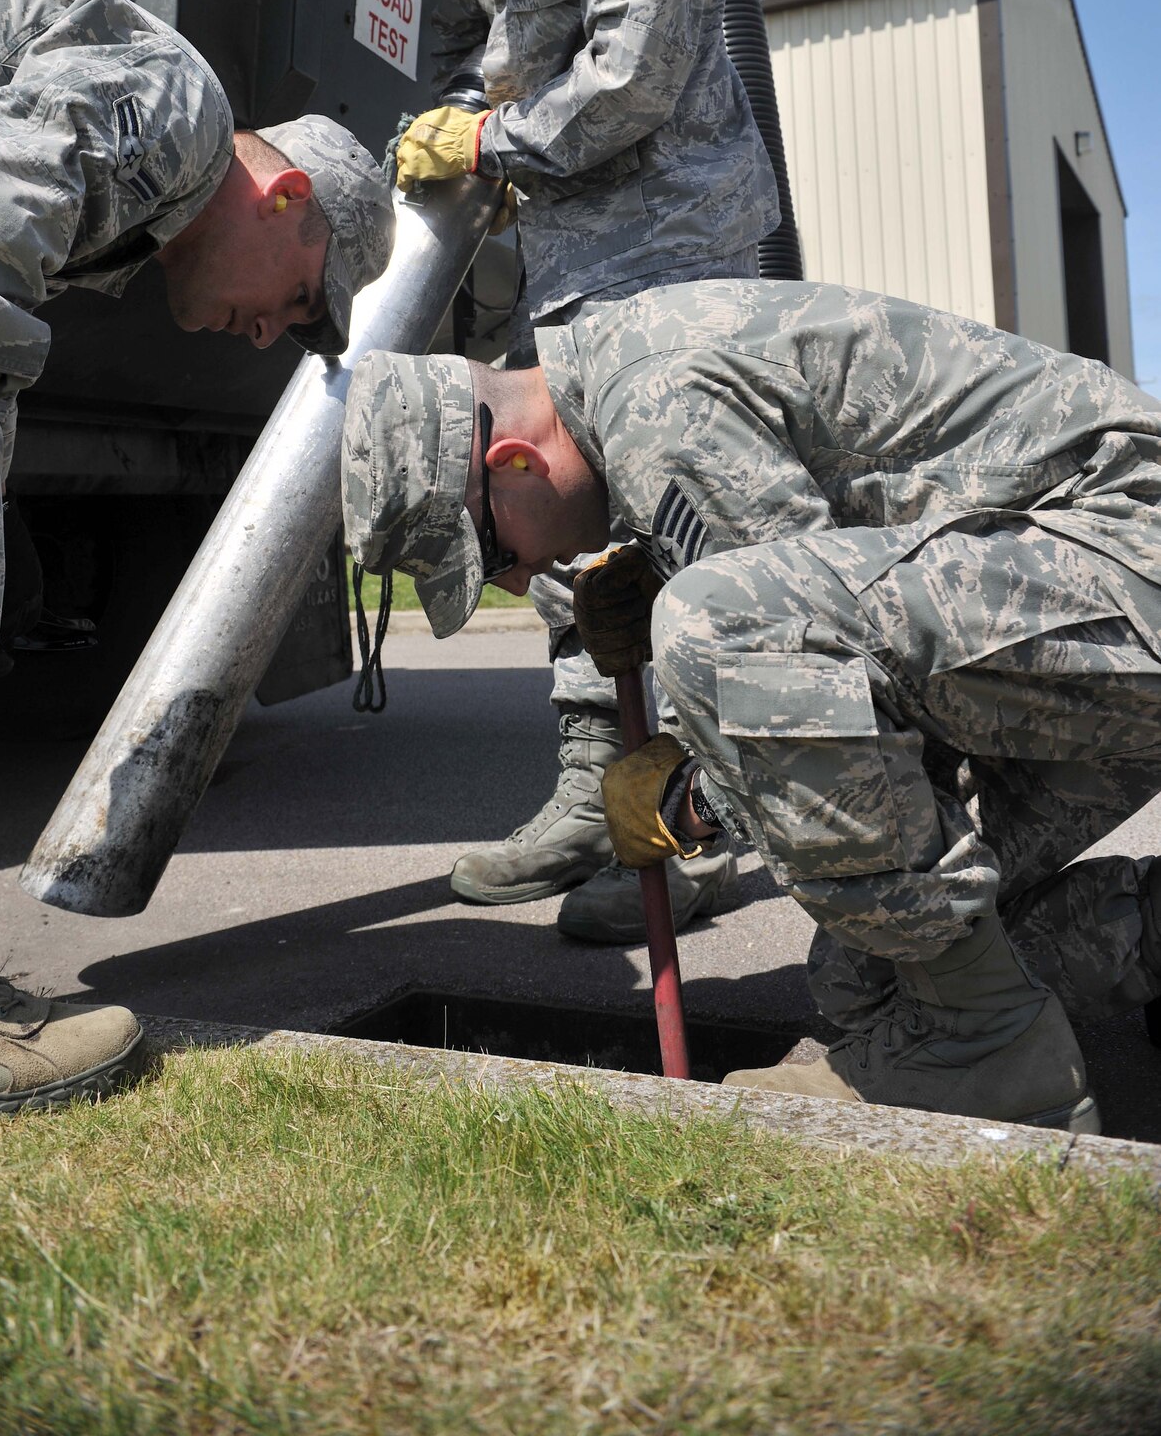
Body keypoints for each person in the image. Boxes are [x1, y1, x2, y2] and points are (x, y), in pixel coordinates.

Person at [341, 281, 1161, 1129]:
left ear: (511, 460)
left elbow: (790, 663)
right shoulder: (622, 376)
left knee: (718, 623)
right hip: (1083, 607)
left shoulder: (653, 400)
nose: (515, 580)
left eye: (490, 553)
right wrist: (661, 565)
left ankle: (986, 1046)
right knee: (869, 973)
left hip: (1129, 555)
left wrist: (691, 804)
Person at [0, 0, 394, 1116]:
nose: (275, 333)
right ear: (286, 192)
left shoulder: (141, 181)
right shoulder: (179, 111)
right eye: (302, 301)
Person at [362, 0, 780, 943]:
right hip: (564, 254)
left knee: (694, 536)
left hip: (682, 239)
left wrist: (487, 138)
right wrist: (446, 134)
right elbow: (471, 47)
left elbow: (637, 73)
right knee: (564, 530)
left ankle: (710, 825)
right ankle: (592, 795)